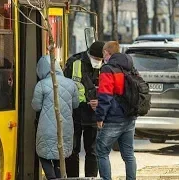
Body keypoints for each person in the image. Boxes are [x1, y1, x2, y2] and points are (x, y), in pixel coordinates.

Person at [31, 55, 79, 180]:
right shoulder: (71, 84)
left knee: (43, 153)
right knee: (60, 155)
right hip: (66, 127)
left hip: (45, 128)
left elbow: (36, 106)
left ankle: (51, 177)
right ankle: (58, 177)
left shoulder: (41, 85)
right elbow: (76, 104)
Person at [95, 41, 137, 180]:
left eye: (103, 53)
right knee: (129, 154)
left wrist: (100, 116)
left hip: (114, 117)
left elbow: (105, 95)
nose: (103, 56)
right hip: (130, 116)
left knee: (101, 151)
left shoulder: (108, 69)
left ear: (107, 53)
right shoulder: (130, 66)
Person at [64, 41, 105, 177]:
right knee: (72, 150)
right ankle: (73, 178)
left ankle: (91, 177)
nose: (99, 61)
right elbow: (65, 85)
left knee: (92, 151)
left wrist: (101, 102)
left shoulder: (105, 66)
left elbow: (109, 90)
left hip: (93, 115)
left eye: (101, 59)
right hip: (74, 113)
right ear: (90, 55)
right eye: (97, 59)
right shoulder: (74, 62)